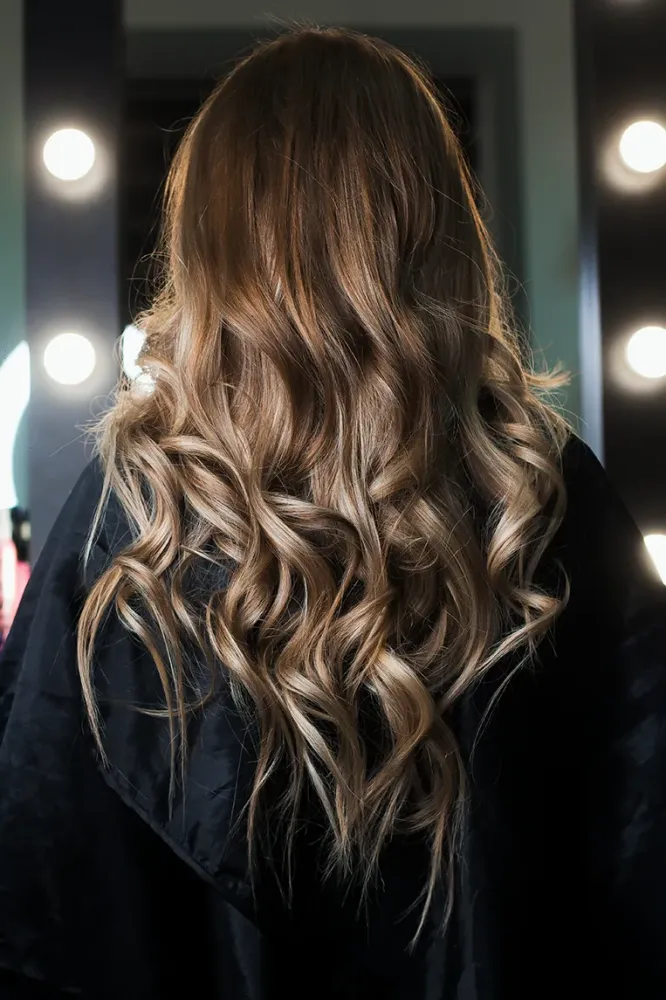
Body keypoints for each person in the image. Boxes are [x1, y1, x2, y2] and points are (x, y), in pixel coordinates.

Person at [1, 27, 665, 1000]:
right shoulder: (548, 498)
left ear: (214, 240)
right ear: (433, 220)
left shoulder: (131, 521)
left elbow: (42, 901)